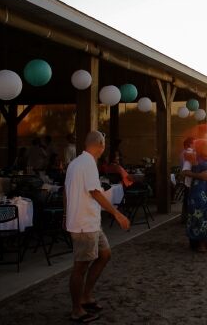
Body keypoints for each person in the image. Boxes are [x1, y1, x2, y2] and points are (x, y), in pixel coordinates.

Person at [65, 131, 130, 323]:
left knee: (105, 254)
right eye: (104, 145)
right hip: (84, 224)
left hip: (90, 221)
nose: (104, 149)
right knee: (80, 267)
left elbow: (67, 191)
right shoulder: (87, 163)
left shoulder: (77, 163)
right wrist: (117, 213)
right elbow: (95, 192)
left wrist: (64, 214)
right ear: (100, 144)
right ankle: (76, 309)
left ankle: (86, 296)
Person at [183, 139, 207, 254]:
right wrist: (199, 175)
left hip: (200, 190)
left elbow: (185, 172)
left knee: (201, 216)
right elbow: (185, 171)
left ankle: (203, 245)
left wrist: (198, 175)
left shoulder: (195, 157)